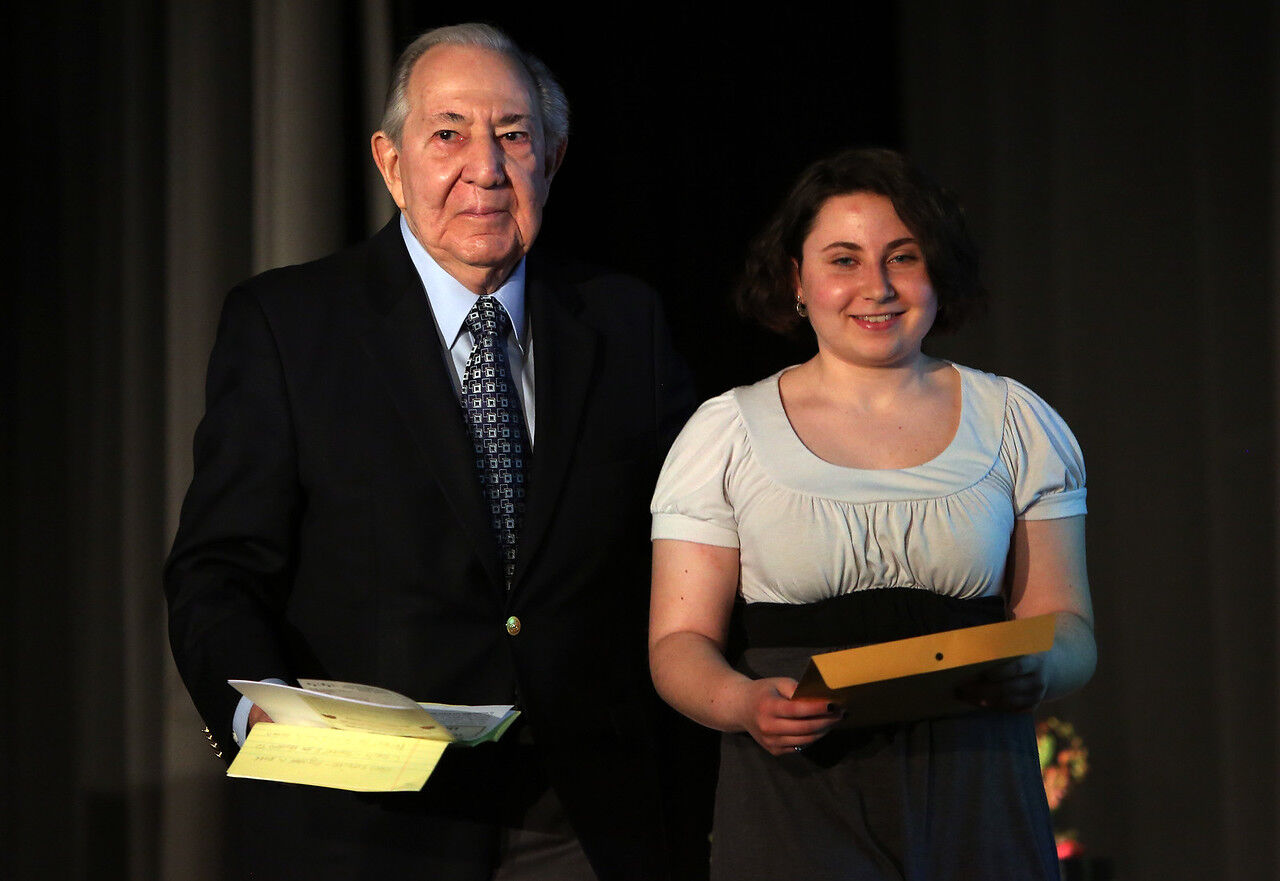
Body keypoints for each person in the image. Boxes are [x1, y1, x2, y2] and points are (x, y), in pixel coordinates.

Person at [165, 23, 708, 881]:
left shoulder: (624, 321)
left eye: (514, 135)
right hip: (367, 824)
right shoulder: (288, 325)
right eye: (449, 133)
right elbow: (218, 571)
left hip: (582, 819)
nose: (485, 169)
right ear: (391, 161)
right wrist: (255, 713)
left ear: (552, 157)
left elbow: (700, 538)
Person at [648, 147, 1095, 880]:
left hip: (976, 780)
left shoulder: (1016, 421)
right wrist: (740, 701)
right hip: (797, 788)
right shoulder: (724, 432)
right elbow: (677, 640)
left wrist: (1038, 667)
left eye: (903, 256)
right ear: (798, 279)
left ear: (936, 271)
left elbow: (1069, 625)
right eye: (844, 259)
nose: (877, 286)